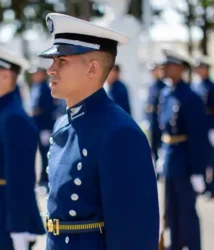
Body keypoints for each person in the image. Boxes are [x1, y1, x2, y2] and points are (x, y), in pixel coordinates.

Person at [38, 13, 159, 250]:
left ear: (92, 68)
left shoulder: (120, 133)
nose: (51, 69)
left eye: (62, 61)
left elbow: (133, 235)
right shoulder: (64, 124)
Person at [0, 39, 45, 250]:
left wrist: (19, 227)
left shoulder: (14, 118)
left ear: (6, 76)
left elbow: (21, 178)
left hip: (8, 217)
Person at [158, 48, 209, 250]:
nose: (164, 68)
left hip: (186, 163)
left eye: (168, 65)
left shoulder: (191, 97)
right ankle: (176, 245)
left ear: (180, 69)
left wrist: (198, 171)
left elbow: (198, 138)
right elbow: (164, 129)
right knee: (171, 211)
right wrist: (160, 154)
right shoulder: (166, 93)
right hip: (170, 159)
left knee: (187, 212)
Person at [28, 58, 56, 190]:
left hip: (44, 125)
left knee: (46, 153)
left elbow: (48, 108)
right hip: (37, 125)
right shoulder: (35, 87)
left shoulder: (46, 88)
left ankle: (46, 178)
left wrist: (46, 128)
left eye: (37, 72)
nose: (34, 75)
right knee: (39, 153)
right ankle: (42, 177)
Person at [193, 56, 214, 198]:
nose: (199, 70)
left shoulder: (211, 86)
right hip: (199, 126)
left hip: (210, 125)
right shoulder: (195, 86)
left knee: (211, 159)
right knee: (201, 156)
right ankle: (204, 186)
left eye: (202, 67)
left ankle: (212, 187)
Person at [145, 62, 166, 163]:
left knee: (161, 142)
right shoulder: (150, 85)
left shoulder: (164, 85)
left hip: (160, 116)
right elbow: (148, 104)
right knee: (153, 144)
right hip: (152, 117)